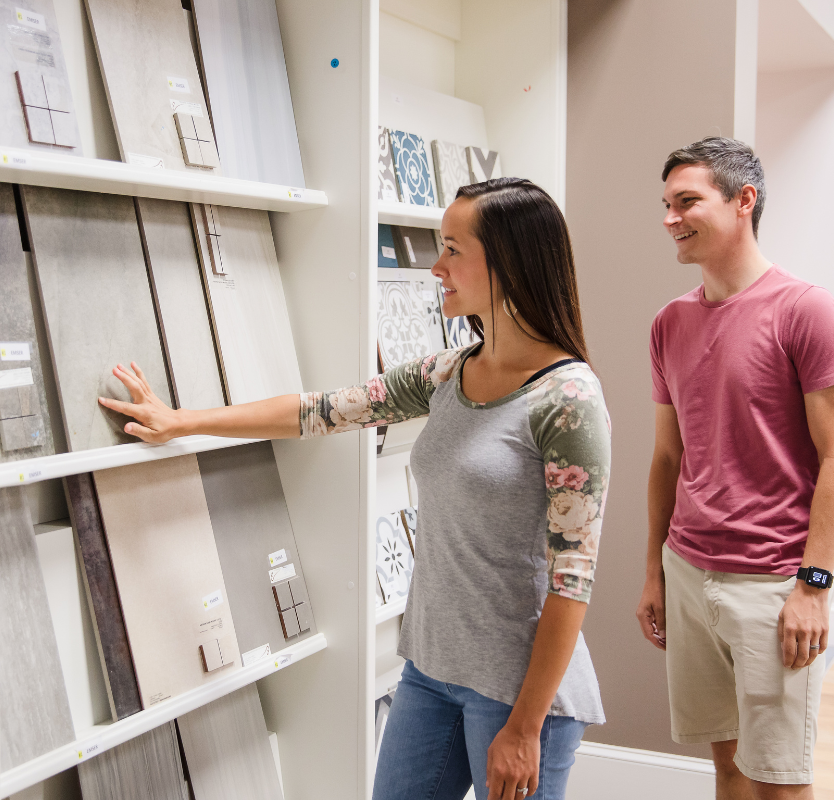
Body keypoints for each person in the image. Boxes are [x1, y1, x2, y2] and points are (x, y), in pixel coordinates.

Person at [100, 178, 611, 800]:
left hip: (518, 692)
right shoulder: (449, 372)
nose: (435, 267)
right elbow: (319, 410)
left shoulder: (568, 400)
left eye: (452, 249)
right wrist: (185, 421)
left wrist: (527, 726)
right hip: (430, 671)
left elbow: (572, 579)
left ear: (508, 262)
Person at [636, 137, 834, 799]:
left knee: (778, 780)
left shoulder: (807, 311)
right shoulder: (668, 323)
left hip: (772, 583)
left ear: (744, 201)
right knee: (728, 767)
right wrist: (653, 570)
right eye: (666, 204)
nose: (670, 218)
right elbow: (668, 459)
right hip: (688, 572)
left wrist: (814, 586)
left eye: (687, 201)